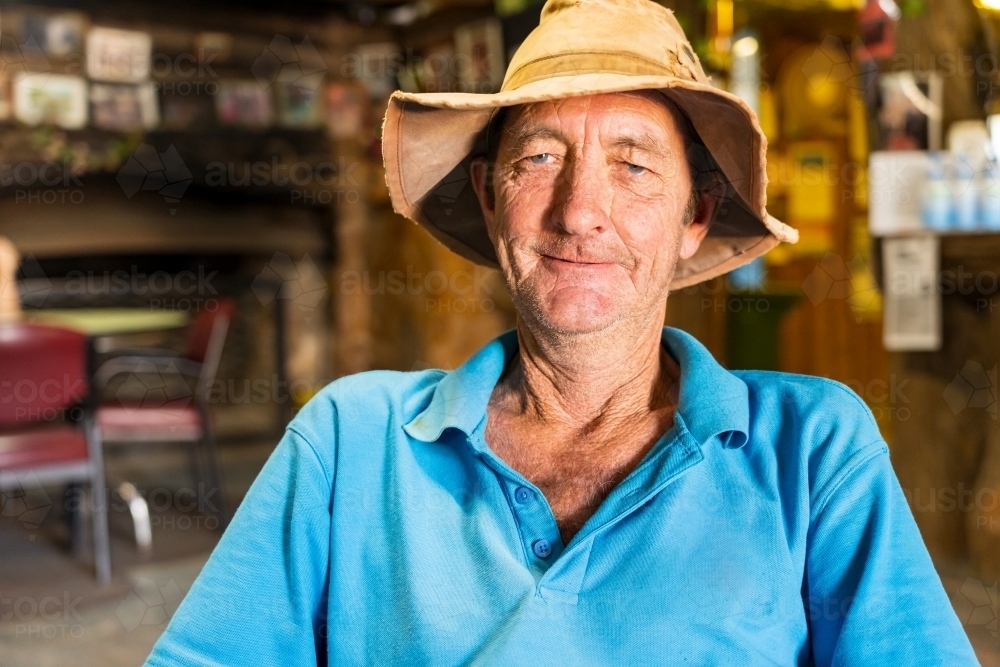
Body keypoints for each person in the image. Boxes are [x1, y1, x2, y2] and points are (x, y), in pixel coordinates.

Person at [144, 0, 980, 664]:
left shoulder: (814, 449)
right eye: (538, 158)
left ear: (694, 217)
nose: (580, 212)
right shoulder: (348, 441)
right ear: (487, 194)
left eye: (635, 165)